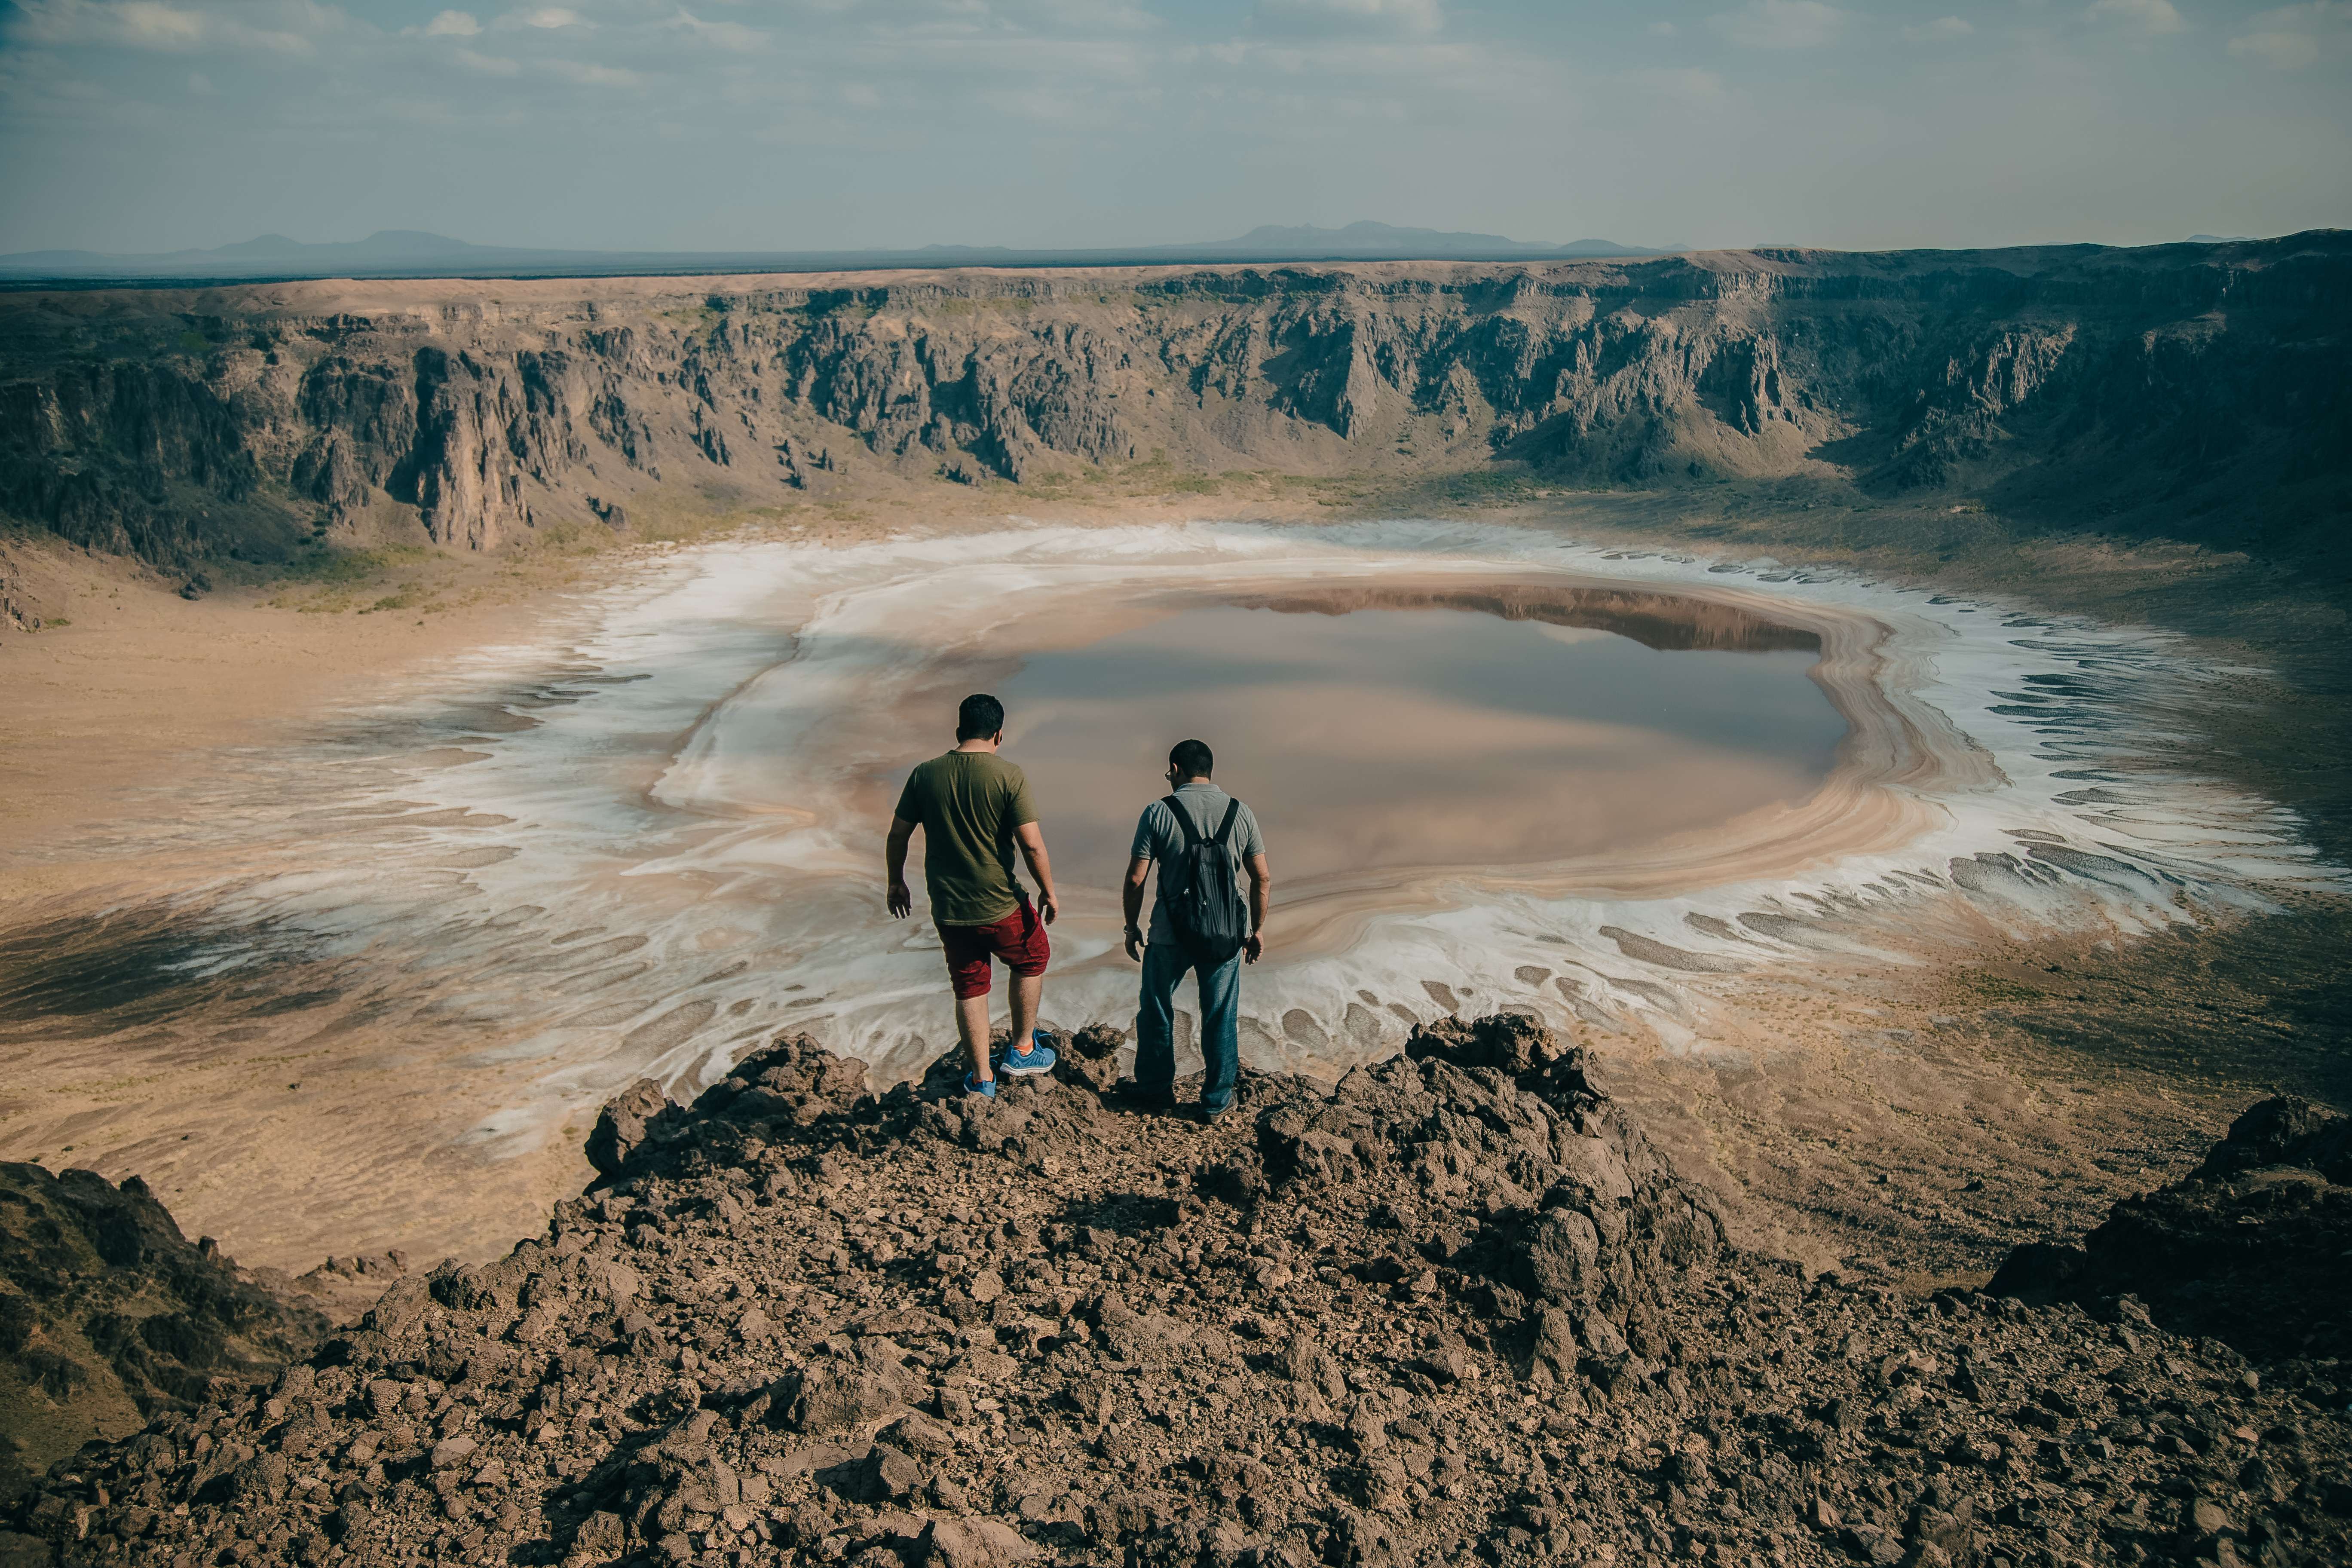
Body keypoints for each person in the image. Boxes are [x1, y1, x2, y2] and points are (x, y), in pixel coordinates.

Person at [885, 693, 1060, 1098]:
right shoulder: (1008, 775)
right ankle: (1022, 1049)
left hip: (949, 907)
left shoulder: (925, 775)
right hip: (999, 902)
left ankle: (982, 1080)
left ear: (959, 731)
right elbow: (1032, 845)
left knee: (970, 986)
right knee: (1033, 958)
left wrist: (895, 881)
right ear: (999, 734)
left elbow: (898, 834)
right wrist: (1048, 891)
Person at [1122, 738, 1271, 1119]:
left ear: (1176, 768)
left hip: (1169, 933)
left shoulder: (1158, 812)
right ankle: (1216, 1100)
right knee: (1221, 1013)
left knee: (1156, 1009)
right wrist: (1256, 930)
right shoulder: (1242, 813)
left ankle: (1156, 1091)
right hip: (1225, 934)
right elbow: (1262, 878)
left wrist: (1130, 927)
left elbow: (1136, 880)